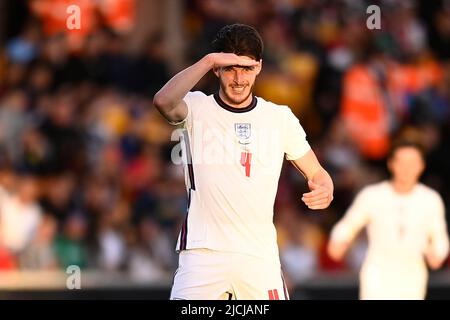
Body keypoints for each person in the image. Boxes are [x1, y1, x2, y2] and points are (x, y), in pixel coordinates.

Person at [153, 24, 333, 300]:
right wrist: (209, 59)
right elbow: (163, 101)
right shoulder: (196, 108)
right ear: (217, 70)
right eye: (230, 68)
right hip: (203, 254)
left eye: (246, 68)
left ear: (259, 67)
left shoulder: (279, 118)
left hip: (258, 256)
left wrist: (325, 187)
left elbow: (317, 173)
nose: (239, 79)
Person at [327, 140, 449, 300]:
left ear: (421, 165)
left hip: (412, 281)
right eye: (401, 162)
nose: (406, 168)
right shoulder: (372, 195)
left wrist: (437, 253)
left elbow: (440, 237)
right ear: (391, 164)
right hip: (376, 280)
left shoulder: (430, 199)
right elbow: (348, 225)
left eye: (412, 162)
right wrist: (339, 241)